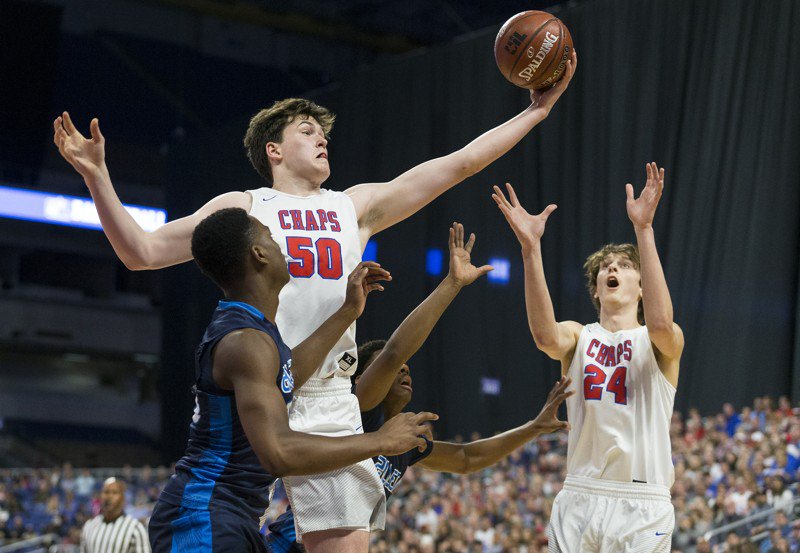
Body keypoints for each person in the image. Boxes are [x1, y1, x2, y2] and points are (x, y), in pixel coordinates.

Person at [52, 51, 576, 551]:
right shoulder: (244, 206)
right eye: (306, 131)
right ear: (272, 151)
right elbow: (141, 251)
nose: (322, 137)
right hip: (257, 384)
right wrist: (97, 175)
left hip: (327, 392)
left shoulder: (356, 205)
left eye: (323, 132)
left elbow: (458, 164)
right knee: (219, 519)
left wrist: (535, 112)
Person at [266, 223, 573, 552]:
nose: (404, 371)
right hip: (291, 543)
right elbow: (395, 351)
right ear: (364, 379)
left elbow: (467, 458)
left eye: (407, 370)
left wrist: (533, 428)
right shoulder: (358, 408)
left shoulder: (405, 439)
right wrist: (452, 284)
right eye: (392, 370)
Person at [147, 207, 437, 552]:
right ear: (258, 254)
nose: (279, 244)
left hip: (230, 514)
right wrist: (381, 441)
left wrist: (347, 312)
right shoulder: (245, 341)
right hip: (203, 514)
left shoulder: (252, 329)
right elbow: (279, 452)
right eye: (270, 237)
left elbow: (288, 376)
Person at [493, 162, 684, 552]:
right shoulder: (580, 335)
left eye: (625, 266)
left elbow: (663, 324)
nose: (612, 267)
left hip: (642, 499)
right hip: (581, 492)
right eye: (605, 268)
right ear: (597, 289)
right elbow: (545, 336)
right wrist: (531, 250)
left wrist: (643, 230)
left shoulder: (659, 339)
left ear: (642, 286)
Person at [80, 477, 150, 553]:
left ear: (123, 498)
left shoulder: (135, 528)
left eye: (114, 492)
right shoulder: (89, 526)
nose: (109, 496)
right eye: (106, 492)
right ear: (100, 496)